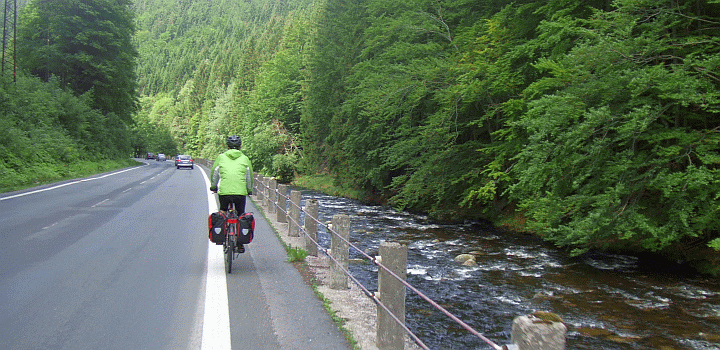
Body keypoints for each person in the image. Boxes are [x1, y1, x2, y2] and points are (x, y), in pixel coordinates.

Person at [210, 135, 254, 251]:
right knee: (241, 215)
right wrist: (249, 190)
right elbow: (249, 177)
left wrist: (213, 187)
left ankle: (220, 236)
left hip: (224, 192)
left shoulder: (221, 157)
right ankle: (240, 244)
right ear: (240, 146)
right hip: (240, 193)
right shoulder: (245, 158)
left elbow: (214, 173)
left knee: (223, 212)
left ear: (227, 146)